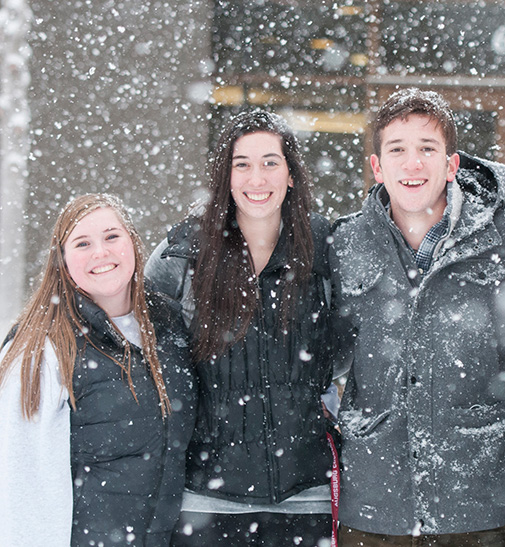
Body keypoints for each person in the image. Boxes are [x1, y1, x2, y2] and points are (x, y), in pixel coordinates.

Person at [328, 88, 505, 546]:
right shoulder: (347, 244)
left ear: (451, 164)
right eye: (398, 150)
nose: (413, 164)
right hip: (374, 508)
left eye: (427, 149)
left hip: (479, 507)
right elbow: (316, 356)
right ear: (377, 166)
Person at [145, 110, 335, 546]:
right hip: (207, 501)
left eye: (271, 162)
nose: (257, 177)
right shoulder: (182, 257)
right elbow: (144, 350)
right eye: (242, 164)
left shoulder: (323, 254)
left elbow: (342, 353)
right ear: (225, 178)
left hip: (305, 498)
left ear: (291, 176)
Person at [0, 193, 196, 546]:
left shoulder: (168, 328)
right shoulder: (41, 348)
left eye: (111, 236)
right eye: (82, 243)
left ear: (132, 243)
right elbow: (18, 481)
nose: (101, 253)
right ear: (62, 260)